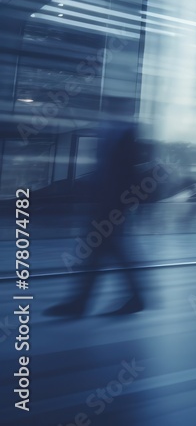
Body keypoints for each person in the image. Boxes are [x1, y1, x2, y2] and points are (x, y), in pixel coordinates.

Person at [45, 98, 145, 317]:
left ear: (125, 109)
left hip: (113, 204)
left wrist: (119, 204)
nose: (109, 109)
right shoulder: (111, 131)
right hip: (105, 202)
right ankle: (130, 298)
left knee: (100, 251)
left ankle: (81, 303)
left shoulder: (127, 133)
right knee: (104, 252)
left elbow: (125, 174)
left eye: (115, 106)